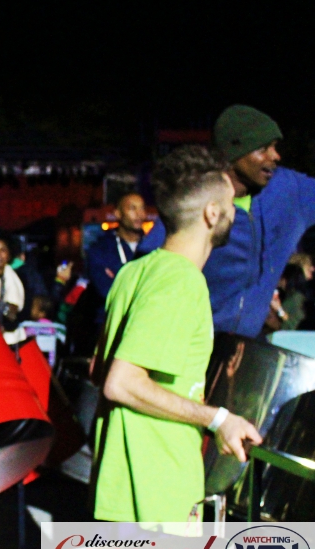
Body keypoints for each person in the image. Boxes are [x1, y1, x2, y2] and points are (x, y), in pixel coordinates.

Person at [92, 145, 261, 524]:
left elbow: (97, 369)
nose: (235, 212)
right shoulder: (181, 281)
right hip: (155, 498)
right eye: (232, 203)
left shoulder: (134, 272)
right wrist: (218, 419)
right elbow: (120, 382)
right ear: (211, 213)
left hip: (122, 491)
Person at [137, 105, 315, 338]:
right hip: (193, 350)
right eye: (263, 148)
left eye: (274, 147)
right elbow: (147, 270)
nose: (275, 156)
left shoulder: (288, 191)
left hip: (248, 353)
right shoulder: (197, 199)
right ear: (233, 153)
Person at [86, 193, 148, 302]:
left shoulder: (154, 247)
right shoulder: (101, 250)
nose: (139, 214)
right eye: (132, 208)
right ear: (118, 214)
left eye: (142, 208)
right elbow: (106, 290)